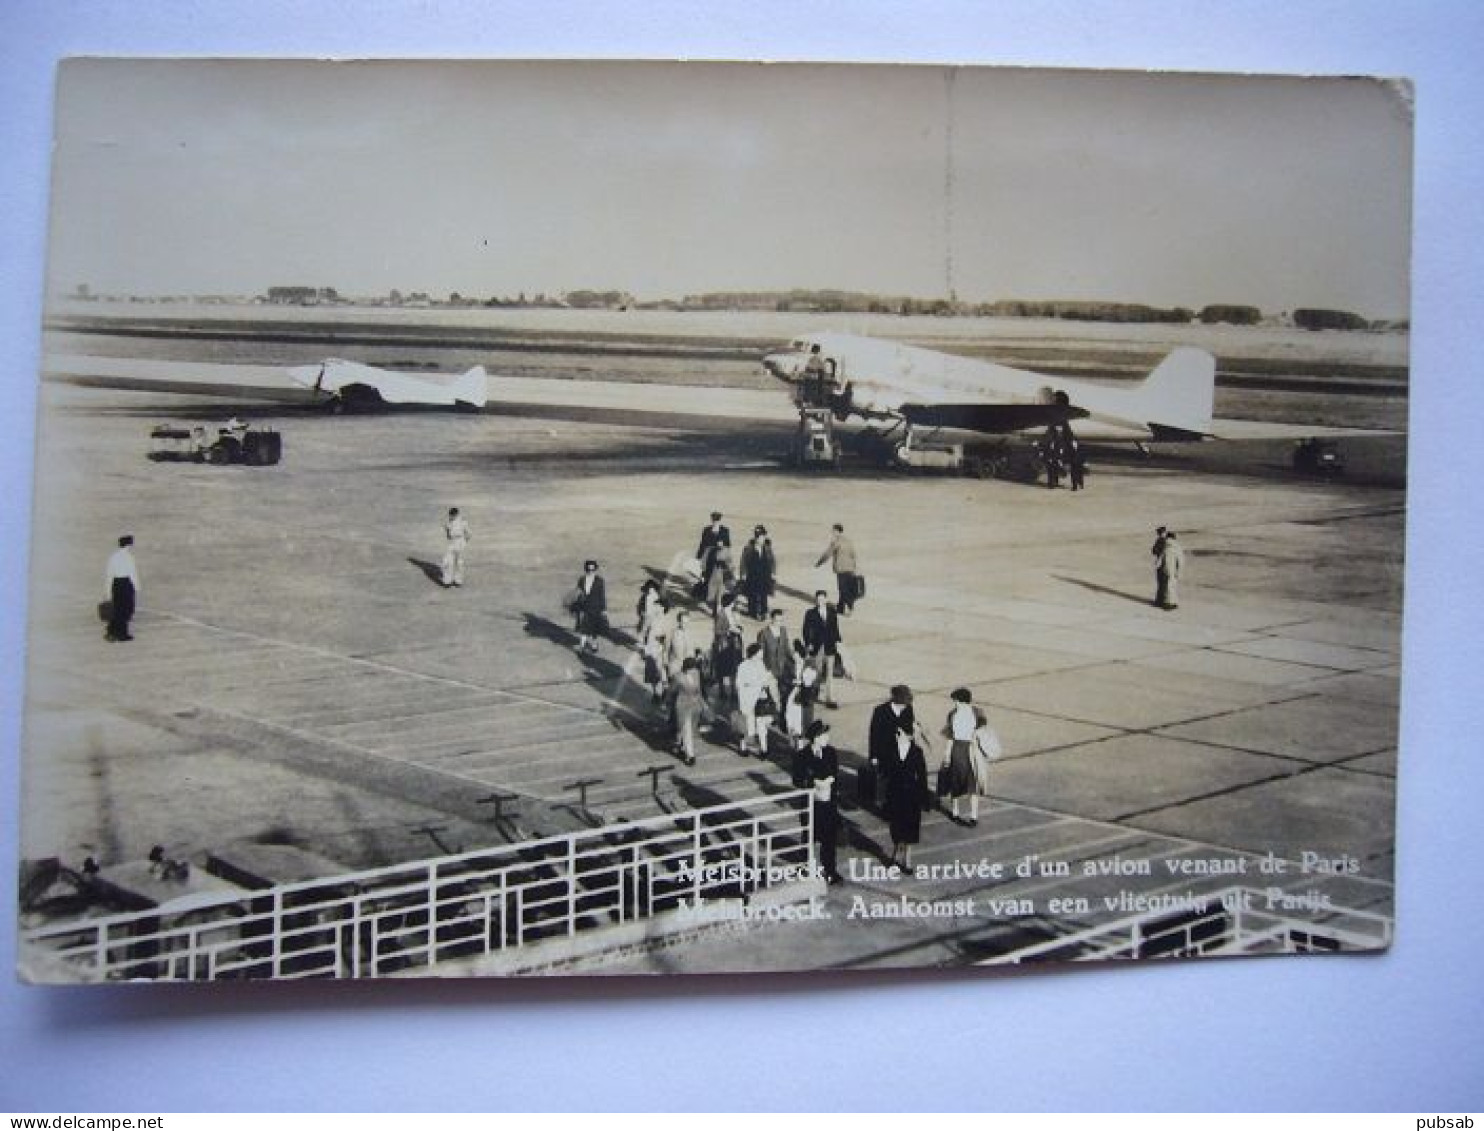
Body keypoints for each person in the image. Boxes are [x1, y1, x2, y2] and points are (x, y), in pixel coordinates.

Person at [803, 719, 843, 885]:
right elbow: (797, 779)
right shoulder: (803, 755)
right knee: (809, 837)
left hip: (828, 803)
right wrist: (813, 782)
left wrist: (830, 780)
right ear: (815, 738)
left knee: (829, 839)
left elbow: (835, 771)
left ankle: (830, 870)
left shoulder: (831, 752)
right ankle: (807, 867)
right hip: (812, 804)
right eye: (824, 735)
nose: (827, 737)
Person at [941, 687, 989, 826]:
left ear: (961, 701)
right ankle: (956, 812)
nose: (955, 704)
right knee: (956, 781)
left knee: (973, 783)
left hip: (971, 748)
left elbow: (982, 730)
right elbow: (950, 737)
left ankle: (973, 815)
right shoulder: (953, 714)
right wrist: (947, 754)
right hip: (959, 749)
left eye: (956, 701)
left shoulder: (976, 713)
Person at [885, 727, 930, 870]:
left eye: (900, 733)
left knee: (910, 827)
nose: (896, 735)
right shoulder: (891, 750)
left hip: (912, 795)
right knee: (896, 825)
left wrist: (924, 798)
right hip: (896, 794)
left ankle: (907, 859)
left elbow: (922, 776)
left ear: (908, 736)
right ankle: (896, 853)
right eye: (896, 732)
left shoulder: (917, 752)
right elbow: (887, 774)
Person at [868, 685, 918, 811]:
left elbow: (910, 729)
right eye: (902, 704)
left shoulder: (908, 709)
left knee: (900, 779)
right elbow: (874, 735)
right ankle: (881, 803)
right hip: (885, 751)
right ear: (895, 701)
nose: (904, 707)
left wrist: (911, 736)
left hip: (902, 750)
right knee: (884, 777)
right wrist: (873, 756)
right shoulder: (880, 711)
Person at [734, 642, 780, 756]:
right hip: (748, 699)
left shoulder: (760, 664)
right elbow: (739, 684)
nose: (761, 656)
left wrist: (768, 679)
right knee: (747, 726)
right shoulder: (743, 666)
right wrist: (755, 684)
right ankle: (743, 747)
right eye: (759, 654)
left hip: (760, 699)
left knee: (761, 724)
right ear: (753, 654)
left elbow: (764, 677)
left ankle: (764, 749)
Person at [801, 589, 843, 708]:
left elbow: (835, 627)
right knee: (817, 672)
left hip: (830, 646)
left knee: (830, 673)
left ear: (825, 599)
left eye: (822, 599)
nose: (820, 601)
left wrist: (838, 641)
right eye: (818, 599)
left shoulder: (832, 612)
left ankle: (830, 698)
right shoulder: (810, 613)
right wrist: (808, 643)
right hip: (817, 647)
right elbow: (805, 630)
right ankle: (813, 694)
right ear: (816, 600)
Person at [815, 523, 859, 615]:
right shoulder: (848, 541)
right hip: (850, 568)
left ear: (837, 531)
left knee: (843, 589)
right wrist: (854, 567)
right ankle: (840, 607)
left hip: (841, 569)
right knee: (845, 588)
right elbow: (853, 555)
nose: (832, 532)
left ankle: (850, 607)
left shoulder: (836, 542)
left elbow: (827, 554)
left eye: (833, 531)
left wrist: (819, 563)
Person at [671, 656, 706, 766]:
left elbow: (699, 690)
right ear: (686, 668)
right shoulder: (677, 677)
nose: (693, 671)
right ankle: (690, 755)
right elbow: (672, 690)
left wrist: (702, 703)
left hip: (694, 705)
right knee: (687, 730)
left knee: (687, 728)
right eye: (692, 668)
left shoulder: (696, 673)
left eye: (694, 668)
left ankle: (678, 744)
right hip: (682, 706)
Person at [104, 534, 140, 642]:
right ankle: (122, 634)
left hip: (116, 583)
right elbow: (132, 573)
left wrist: (108, 589)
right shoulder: (129, 557)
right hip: (126, 583)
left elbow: (109, 574)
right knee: (126, 609)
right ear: (128, 545)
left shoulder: (113, 557)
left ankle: (111, 631)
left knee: (117, 607)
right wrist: (137, 586)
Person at [711, 591, 744, 702]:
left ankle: (733, 690)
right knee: (723, 667)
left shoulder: (732, 613)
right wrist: (730, 630)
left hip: (733, 643)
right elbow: (717, 630)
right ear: (730, 602)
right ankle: (722, 690)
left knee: (733, 668)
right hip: (724, 644)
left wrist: (738, 628)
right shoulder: (721, 614)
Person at [739, 525, 776, 620]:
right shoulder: (748, 548)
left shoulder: (767, 548)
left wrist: (773, 573)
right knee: (752, 594)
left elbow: (772, 561)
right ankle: (752, 611)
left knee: (764, 594)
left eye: (762, 537)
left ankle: (763, 612)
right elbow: (743, 562)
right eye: (758, 537)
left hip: (764, 575)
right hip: (752, 575)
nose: (760, 539)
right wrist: (743, 574)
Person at [571, 560, 607, 653]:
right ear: (585, 569)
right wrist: (576, 605)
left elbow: (602, 595)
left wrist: (603, 609)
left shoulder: (599, 581)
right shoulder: (582, 579)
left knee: (594, 628)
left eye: (592, 569)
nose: (590, 571)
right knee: (584, 626)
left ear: (595, 569)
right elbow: (578, 592)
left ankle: (594, 644)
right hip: (584, 606)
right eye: (588, 569)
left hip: (596, 607)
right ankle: (582, 645)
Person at [695, 511, 731, 595]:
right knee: (708, 574)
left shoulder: (725, 530)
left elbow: (728, 544)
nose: (715, 522)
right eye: (714, 520)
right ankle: (707, 593)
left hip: (720, 556)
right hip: (709, 556)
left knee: (719, 576)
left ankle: (717, 594)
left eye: (717, 520)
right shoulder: (707, 530)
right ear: (712, 520)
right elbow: (703, 543)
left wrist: (723, 545)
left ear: (720, 520)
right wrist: (699, 556)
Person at [758, 609, 795, 690]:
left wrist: (793, 657)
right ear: (771, 619)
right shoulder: (764, 633)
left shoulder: (783, 630)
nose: (779, 623)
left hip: (782, 665)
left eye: (781, 621)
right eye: (776, 620)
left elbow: (786, 647)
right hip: (769, 666)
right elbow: (760, 652)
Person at [440, 506, 470, 587]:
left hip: (460, 541)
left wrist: (464, 543)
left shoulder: (463, 521)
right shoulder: (448, 522)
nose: (451, 516)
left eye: (453, 515)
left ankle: (458, 581)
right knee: (447, 562)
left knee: (459, 562)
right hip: (451, 542)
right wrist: (448, 534)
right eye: (451, 515)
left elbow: (468, 533)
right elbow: (447, 532)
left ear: (457, 514)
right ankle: (447, 581)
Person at [1158, 530, 1185, 610]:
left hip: (1166, 569)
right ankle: (1172, 602)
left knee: (1168, 586)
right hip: (1173, 569)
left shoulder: (1166, 546)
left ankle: (1169, 603)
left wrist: (1157, 566)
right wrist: (1179, 571)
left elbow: (1160, 558)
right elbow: (1181, 560)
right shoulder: (1177, 547)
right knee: (1172, 586)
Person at [636, 579, 666, 644]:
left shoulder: (656, 597)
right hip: (645, 617)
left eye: (652, 589)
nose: (650, 590)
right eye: (649, 589)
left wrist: (659, 615)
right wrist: (640, 613)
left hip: (653, 618)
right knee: (643, 631)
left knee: (651, 632)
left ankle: (648, 644)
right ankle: (643, 644)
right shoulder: (644, 597)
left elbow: (660, 608)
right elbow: (639, 606)